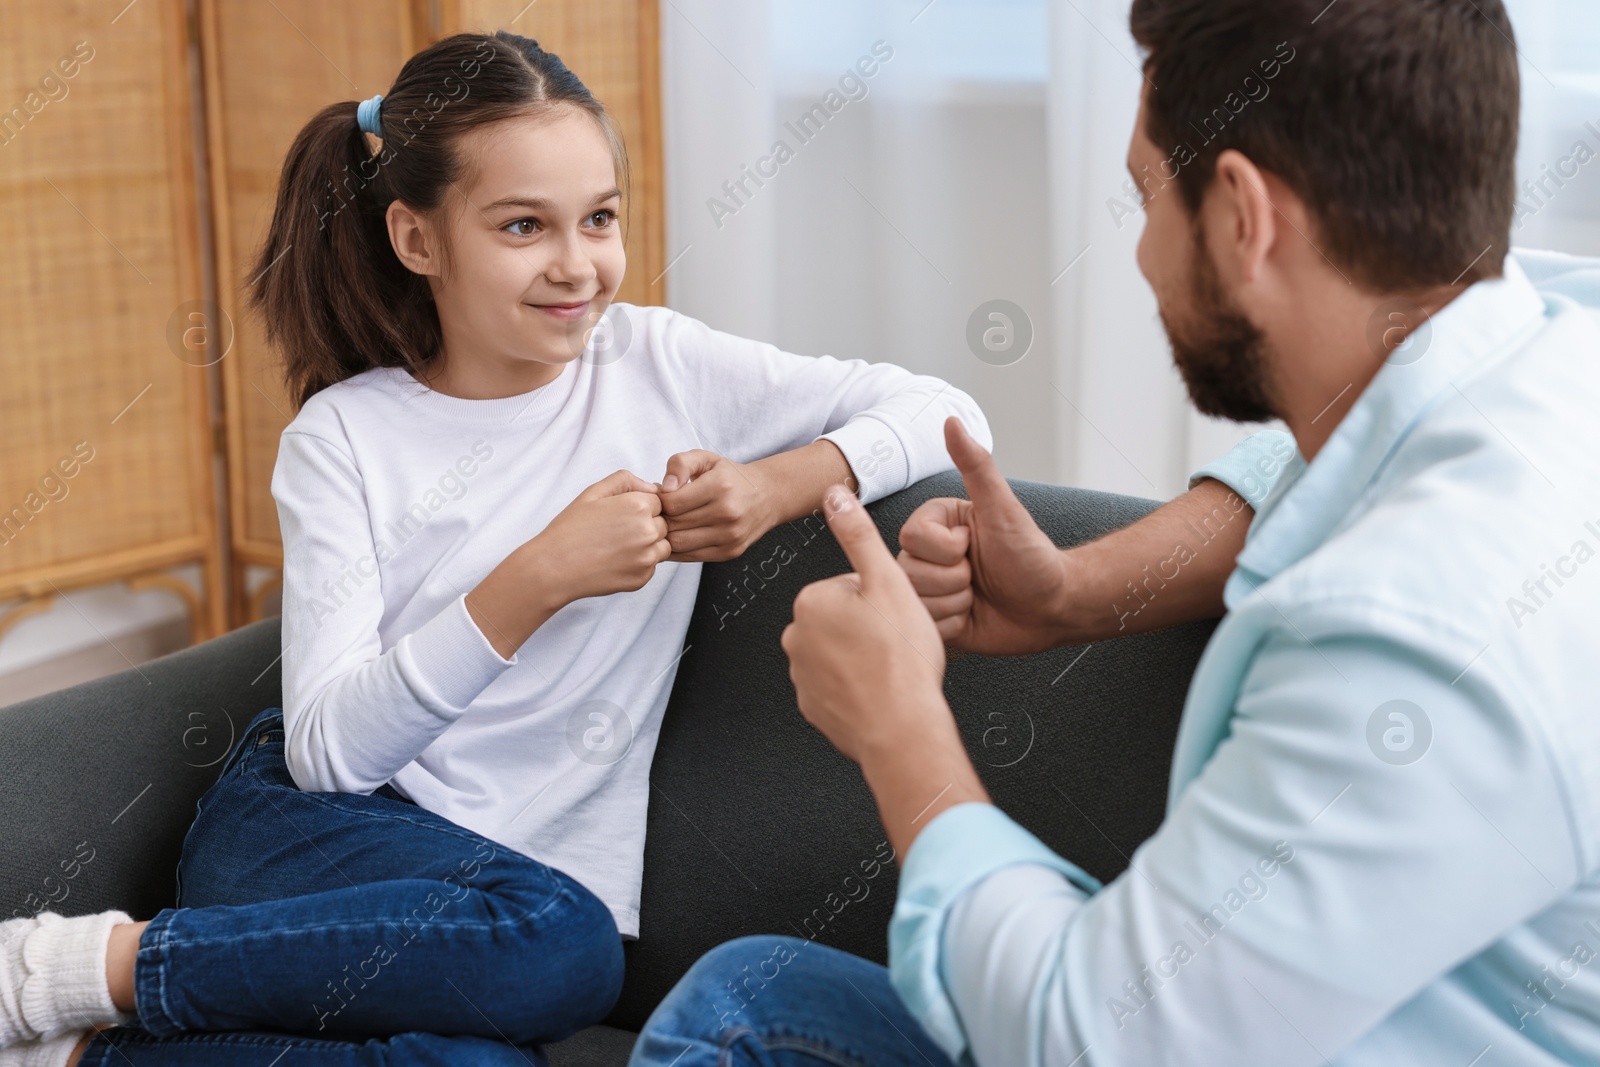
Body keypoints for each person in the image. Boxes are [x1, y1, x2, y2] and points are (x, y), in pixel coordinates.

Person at [630, 1, 1600, 1064]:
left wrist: (897, 722)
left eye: (1145, 199)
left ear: (1242, 215)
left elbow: (1088, 1037)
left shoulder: (1408, 638)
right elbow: (1349, 441)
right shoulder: (1546, 338)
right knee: (744, 999)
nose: (1139, 256)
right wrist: (1076, 592)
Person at [0, 30, 991, 1067]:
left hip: (481, 912)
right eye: (524, 225)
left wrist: (772, 483)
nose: (578, 263)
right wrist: (538, 576)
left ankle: (75, 1058)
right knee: (562, 949)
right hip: (309, 842)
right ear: (418, 240)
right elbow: (327, 753)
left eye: (598, 218)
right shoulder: (345, 438)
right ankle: (70, 969)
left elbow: (946, 411)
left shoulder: (659, 362)